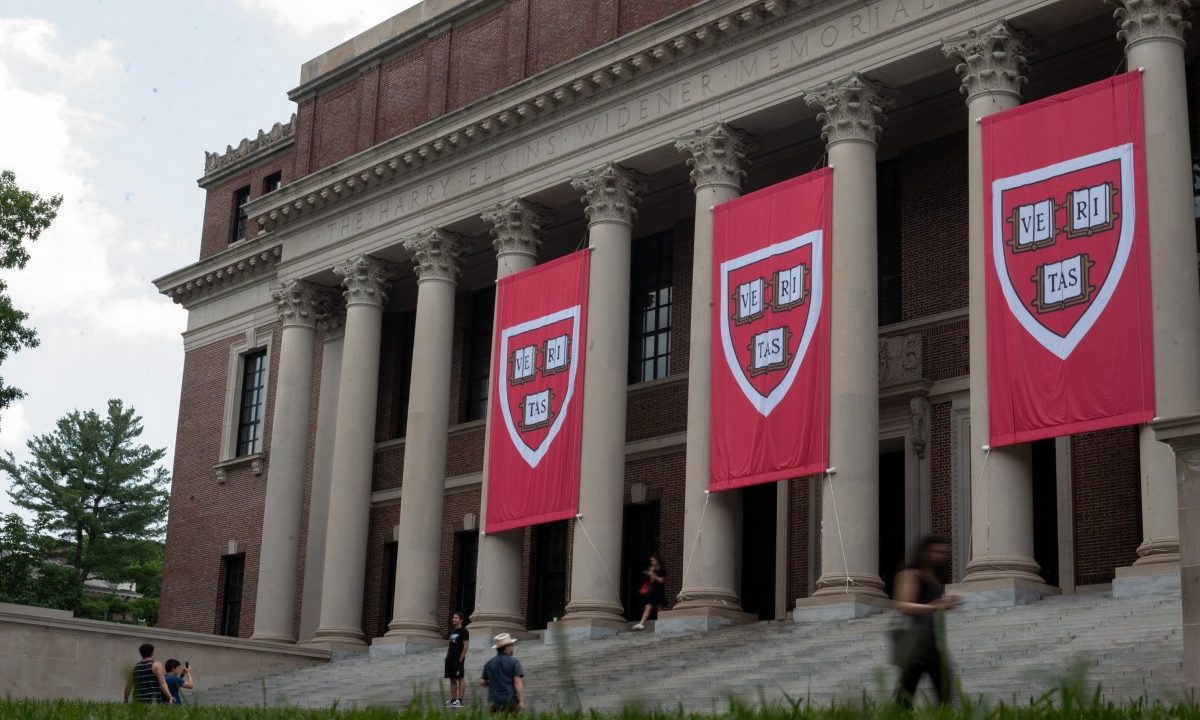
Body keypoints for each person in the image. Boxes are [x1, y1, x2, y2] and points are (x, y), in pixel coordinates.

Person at [891, 535, 959, 707]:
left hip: (931, 641)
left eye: (943, 552)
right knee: (905, 695)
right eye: (935, 551)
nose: (939, 556)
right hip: (915, 643)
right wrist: (934, 607)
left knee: (945, 691)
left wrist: (947, 604)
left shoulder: (935, 579)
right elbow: (904, 606)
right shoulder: (910, 574)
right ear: (924, 552)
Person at [479, 632, 525, 712]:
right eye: (512, 645)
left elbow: (482, 682)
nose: (512, 647)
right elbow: (517, 682)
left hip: (493, 701)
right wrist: (521, 701)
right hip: (510, 700)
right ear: (507, 647)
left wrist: (492, 683)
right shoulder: (514, 661)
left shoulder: (489, 663)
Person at [632, 555, 666, 631]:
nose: (652, 562)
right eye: (651, 561)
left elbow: (661, 580)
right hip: (652, 591)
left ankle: (642, 624)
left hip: (658, 591)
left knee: (657, 608)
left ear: (657, 561)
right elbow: (652, 580)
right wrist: (650, 573)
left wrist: (653, 575)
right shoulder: (653, 569)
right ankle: (641, 624)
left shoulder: (662, 570)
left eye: (653, 560)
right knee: (650, 607)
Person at [444, 611, 470, 707]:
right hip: (450, 659)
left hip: (458, 659)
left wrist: (461, 658)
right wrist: (447, 657)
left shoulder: (464, 631)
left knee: (460, 678)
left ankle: (460, 700)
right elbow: (450, 645)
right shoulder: (453, 631)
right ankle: (453, 699)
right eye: (453, 617)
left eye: (456, 618)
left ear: (461, 620)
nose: (453, 619)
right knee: (452, 679)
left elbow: (466, 645)